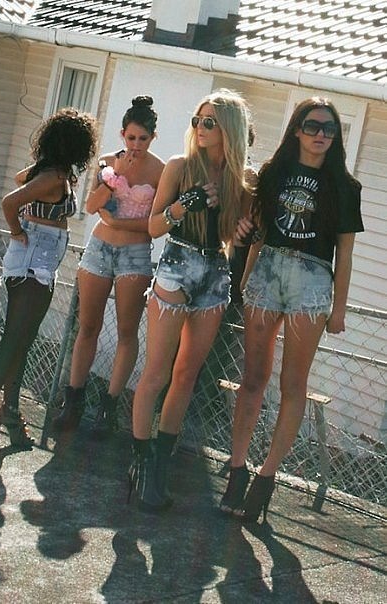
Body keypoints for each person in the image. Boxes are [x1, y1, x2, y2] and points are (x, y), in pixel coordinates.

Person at [220, 96, 364, 523]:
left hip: (313, 279)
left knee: (292, 384)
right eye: (313, 126)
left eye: (329, 129)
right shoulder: (273, 173)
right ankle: (236, 469)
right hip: (268, 271)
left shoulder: (345, 186)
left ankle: (266, 479)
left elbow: (345, 253)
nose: (321, 134)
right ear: (297, 129)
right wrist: (245, 280)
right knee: (252, 378)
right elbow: (259, 232)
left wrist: (338, 309)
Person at [128, 88, 254, 512]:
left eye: (209, 122)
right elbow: (153, 227)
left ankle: (160, 466)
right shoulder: (180, 167)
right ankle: (140, 463)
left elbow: (232, 237)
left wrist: (240, 232)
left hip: (215, 273)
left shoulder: (240, 180)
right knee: (156, 372)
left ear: (229, 129)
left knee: (186, 375)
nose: (200, 127)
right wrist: (183, 206)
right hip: (176, 265)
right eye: (197, 120)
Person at [0, 108, 98, 461]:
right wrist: (16, 230)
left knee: (21, 342)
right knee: (13, 341)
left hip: (39, 262)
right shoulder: (53, 176)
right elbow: (10, 201)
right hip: (32, 261)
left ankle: (8, 412)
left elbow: (18, 179)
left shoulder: (53, 173)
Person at [52, 96, 165, 437]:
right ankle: (73, 401)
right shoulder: (108, 162)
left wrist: (117, 222)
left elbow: (153, 224)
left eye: (143, 139)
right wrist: (119, 175)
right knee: (88, 326)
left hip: (135, 254)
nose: (136, 145)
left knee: (127, 332)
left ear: (153, 138)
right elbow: (91, 206)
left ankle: (109, 407)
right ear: (122, 134)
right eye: (131, 138)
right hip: (100, 249)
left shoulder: (161, 171)